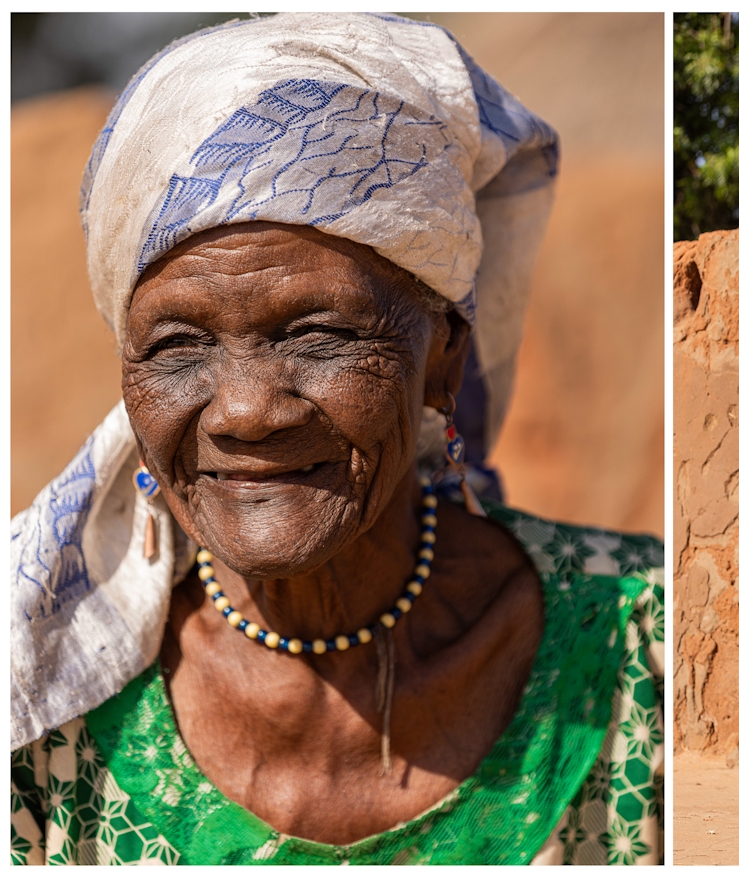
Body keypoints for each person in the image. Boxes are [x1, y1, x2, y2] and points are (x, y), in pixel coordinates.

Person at [10, 14, 663, 866]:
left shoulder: (642, 647)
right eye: (176, 346)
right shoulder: (38, 697)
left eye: (316, 335)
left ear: (443, 360)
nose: (246, 412)